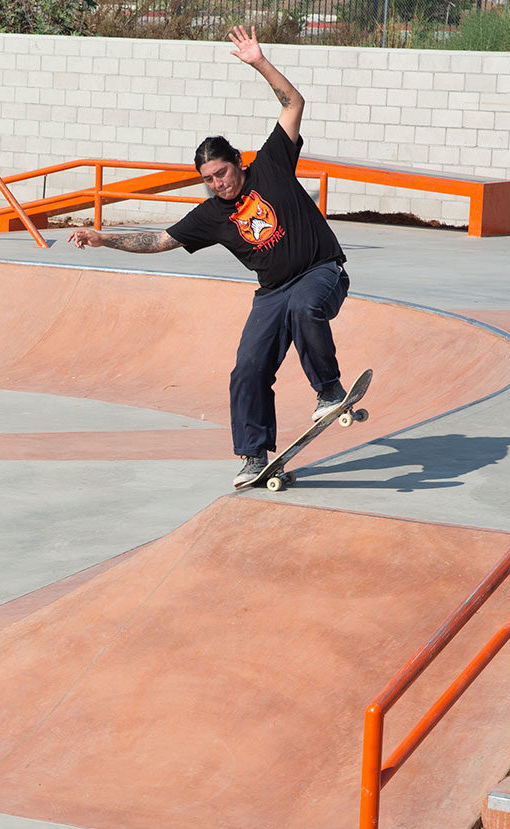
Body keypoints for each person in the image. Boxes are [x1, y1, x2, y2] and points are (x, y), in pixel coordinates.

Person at [69, 27, 351, 491]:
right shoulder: (209, 215)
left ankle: (328, 390)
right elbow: (161, 239)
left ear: (237, 162)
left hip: (321, 272)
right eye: (208, 179)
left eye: (222, 173)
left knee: (306, 308)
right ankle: (254, 456)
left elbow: (293, 104)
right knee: (248, 368)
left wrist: (259, 62)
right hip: (271, 293)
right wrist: (104, 238)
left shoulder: (272, 163)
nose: (218, 184)